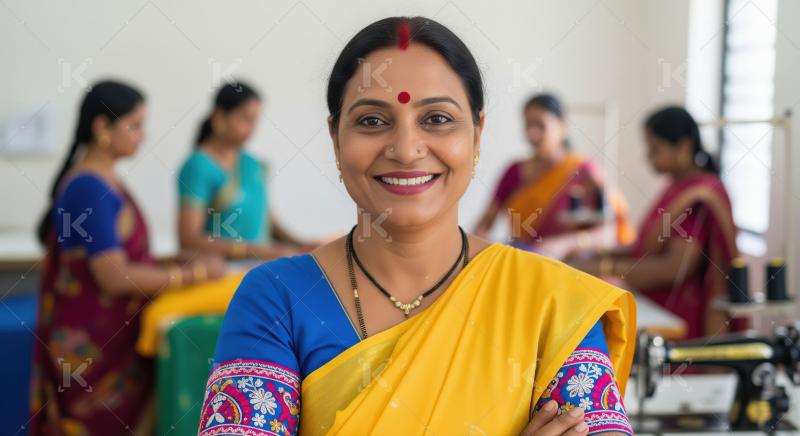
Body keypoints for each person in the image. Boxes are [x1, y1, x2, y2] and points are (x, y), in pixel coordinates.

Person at [198, 17, 636, 435]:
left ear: (477, 136)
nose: (406, 150)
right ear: (336, 139)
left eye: (437, 119)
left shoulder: (547, 300)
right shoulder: (277, 299)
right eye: (372, 121)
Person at [30, 80, 225, 434]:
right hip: (93, 348)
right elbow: (113, 276)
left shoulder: (104, 181)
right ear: (102, 128)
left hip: (114, 338)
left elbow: (124, 258)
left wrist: (171, 264)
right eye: (134, 125)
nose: (142, 136)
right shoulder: (90, 187)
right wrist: (194, 275)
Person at [568, 106, 738, 339]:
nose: (648, 157)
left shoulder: (701, 194)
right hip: (656, 305)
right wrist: (602, 255)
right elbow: (647, 250)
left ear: (684, 147)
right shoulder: (676, 187)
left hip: (682, 318)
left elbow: (675, 268)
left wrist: (603, 268)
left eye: (655, 149)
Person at [474, 93, 634, 254]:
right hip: (524, 262)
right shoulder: (513, 171)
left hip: (570, 266)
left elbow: (610, 234)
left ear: (562, 126)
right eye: (528, 125)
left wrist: (563, 245)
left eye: (540, 126)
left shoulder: (584, 171)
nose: (532, 133)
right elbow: (483, 225)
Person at [177, 81, 303, 260]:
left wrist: (300, 245)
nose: (252, 128)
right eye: (245, 119)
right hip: (222, 277)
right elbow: (189, 240)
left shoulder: (253, 165)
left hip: (259, 270)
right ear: (219, 117)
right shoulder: (198, 166)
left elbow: (265, 220)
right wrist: (256, 251)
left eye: (255, 120)